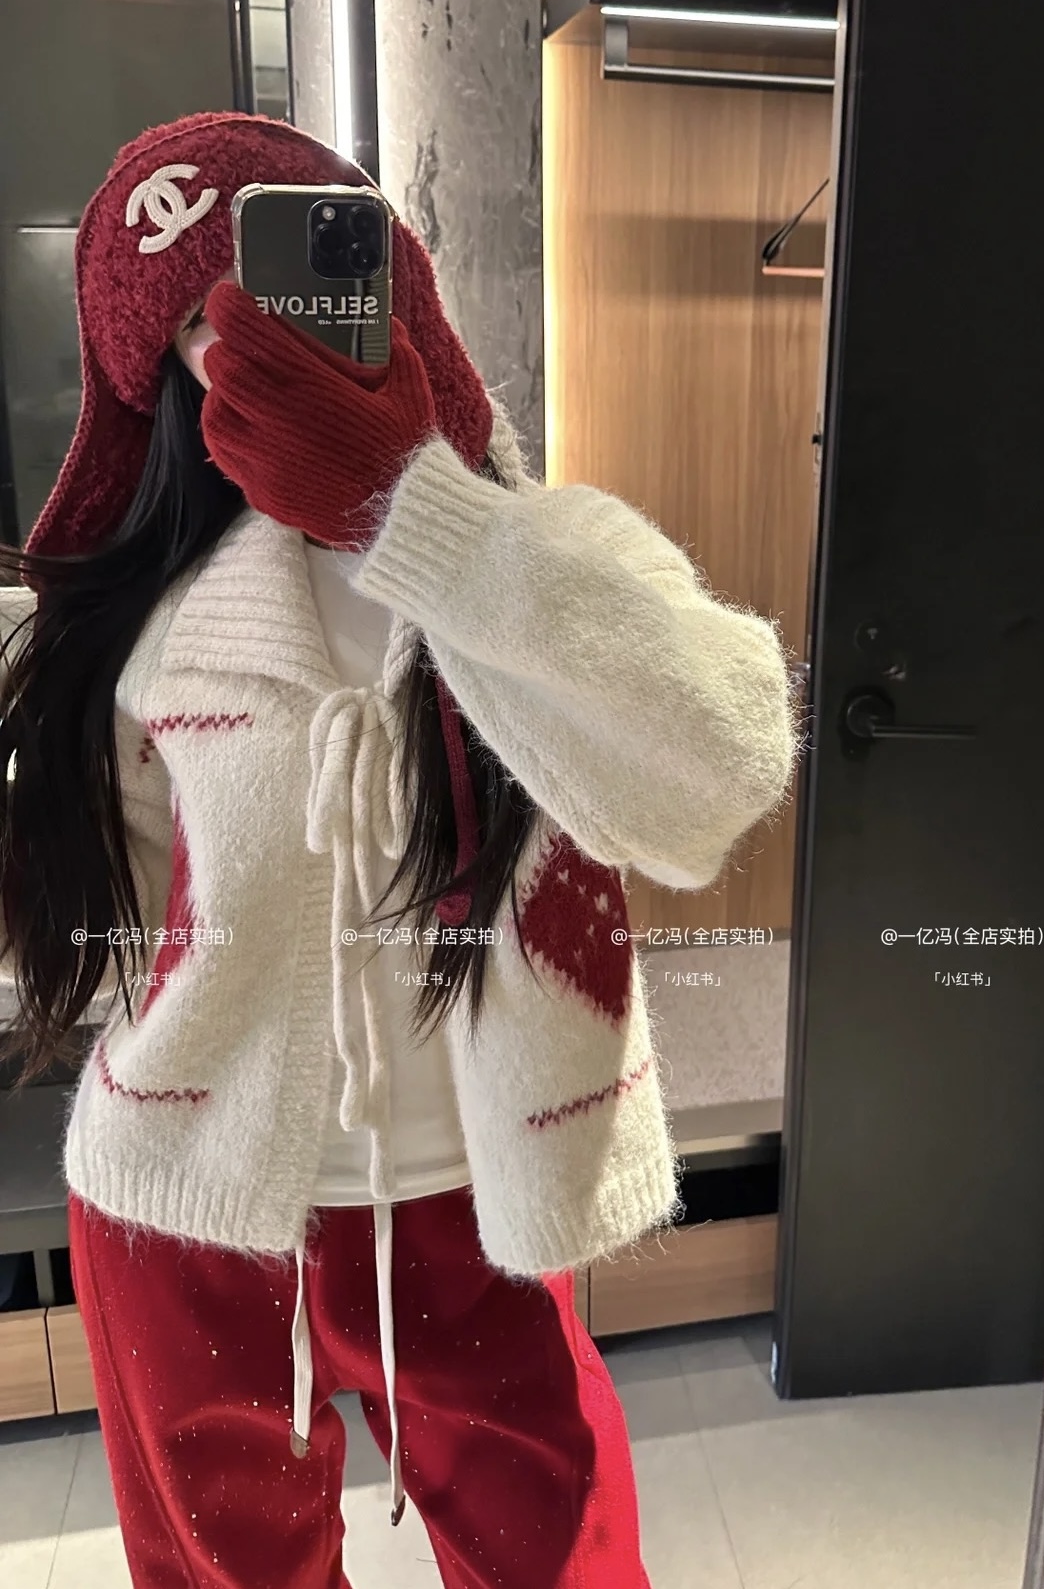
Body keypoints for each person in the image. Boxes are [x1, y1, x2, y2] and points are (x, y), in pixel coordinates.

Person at [0, 112, 799, 1589]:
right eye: (188, 327)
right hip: (186, 1194)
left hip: (466, 1198)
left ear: (390, 285)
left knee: (562, 1561)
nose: (240, 345)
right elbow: (96, 911)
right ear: (150, 377)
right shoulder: (132, 620)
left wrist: (408, 508)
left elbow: (722, 765)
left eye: (281, 289)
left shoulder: (541, 557)